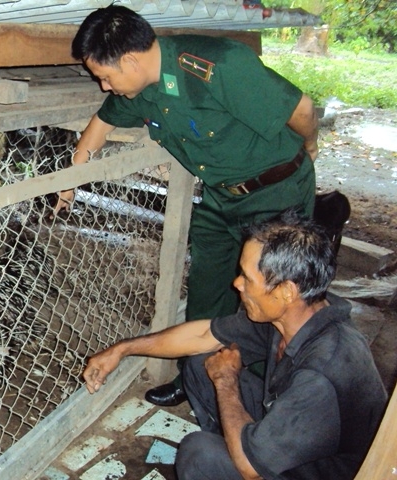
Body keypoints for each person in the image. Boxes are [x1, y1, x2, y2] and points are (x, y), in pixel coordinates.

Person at [56, 5, 320, 406]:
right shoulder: (140, 88)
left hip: (276, 192)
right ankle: (196, 377)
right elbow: (102, 122)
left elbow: (300, 109)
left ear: (129, 61)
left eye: (105, 77)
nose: (105, 87)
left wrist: (312, 145)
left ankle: (273, 390)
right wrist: (72, 180)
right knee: (207, 291)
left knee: (271, 297)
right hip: (219, 196)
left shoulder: (219, 66)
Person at [83, 211, 387, 479]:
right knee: (202, 363)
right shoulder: (299, 313)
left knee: (199, 454)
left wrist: (226, 380)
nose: (237, 284)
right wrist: (121, 349)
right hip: (292, 430)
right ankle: (236, 442)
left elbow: (249, 468)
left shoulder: (322, 372)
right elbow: (202, 336)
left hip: (314, 472)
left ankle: (233, 453)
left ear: (285, 292)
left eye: (247, 278)